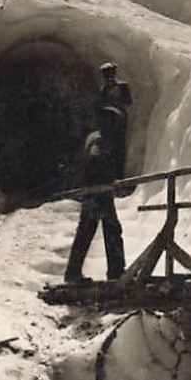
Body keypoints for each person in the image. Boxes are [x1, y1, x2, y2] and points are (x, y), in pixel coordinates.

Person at [64, 105, 127, 284]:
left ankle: (73, 273)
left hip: (96, 192)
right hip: (98, 193)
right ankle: (115, 273)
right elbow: (95, 161)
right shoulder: (101, 140)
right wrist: (107, 182)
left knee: (89, 231)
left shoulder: (95, 137)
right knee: (110, 230)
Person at [95, 62, 132, 176]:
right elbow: (100, 106)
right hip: (107, 125)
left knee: (119, 150)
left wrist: (118, 100)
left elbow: (128, 102)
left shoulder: (123, 86)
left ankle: (119, 176)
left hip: (119, 123)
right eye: (106, 75)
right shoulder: (103, 89)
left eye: (110, 74)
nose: (109, 78)